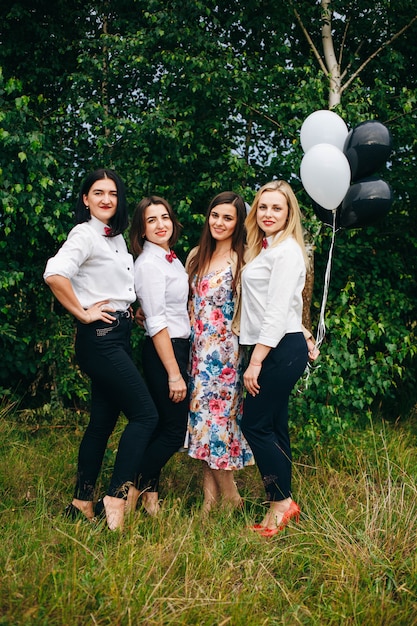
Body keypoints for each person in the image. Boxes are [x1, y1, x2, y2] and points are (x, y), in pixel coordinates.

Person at [43, 168, 158, 530]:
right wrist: (82, 312)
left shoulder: (117, 238)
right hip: (100, 339)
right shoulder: (84, 234)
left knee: (102, 423)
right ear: (86, 199)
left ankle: (81, 502)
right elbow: (55, 273)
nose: (106, 199)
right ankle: (116, 494)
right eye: (98, 192)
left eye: (112, 193)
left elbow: (113, 285)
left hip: (118, 334)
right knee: (145, 415)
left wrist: (131, 310)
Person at [240, 179, 318, 537]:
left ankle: (281, 504)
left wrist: (255, 362)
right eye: (264, 207)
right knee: (274, 425)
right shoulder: (266, 249)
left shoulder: (286, 251)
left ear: (289, 215)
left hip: (275, 350)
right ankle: (284, 501)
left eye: (277, 208)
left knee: (254, 424)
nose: (269, 214)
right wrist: (300, 329)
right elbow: (286, 306)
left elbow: (273, 313)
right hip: (279, 342)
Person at [186, 191, 254, 513]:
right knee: (202, 423)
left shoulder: (243, 260)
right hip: (198, 354)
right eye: (215, 215)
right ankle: (209, 500)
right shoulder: (196, 255)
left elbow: (263, 304)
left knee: (219, 424)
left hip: (226, 357)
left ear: (238, 222)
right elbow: (188, 303)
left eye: (228, 217)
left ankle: (231, 498)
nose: (219, 222)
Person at [127, 196, 190, 516]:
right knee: (174, 430)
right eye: (151, 220)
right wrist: (174, 373)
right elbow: (157, 322)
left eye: (164, 217)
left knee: (163, 425)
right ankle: (129, 492)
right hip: (165, 351)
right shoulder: (149, 264)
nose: (160, 224)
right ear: (141, 229)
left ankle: (151, 497)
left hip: (177, 347)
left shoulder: (169, 258)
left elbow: (162, 308)